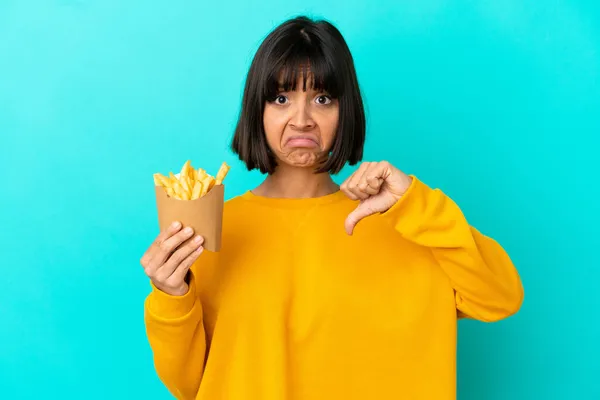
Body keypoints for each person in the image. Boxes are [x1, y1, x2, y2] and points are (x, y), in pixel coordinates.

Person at [140, 15, 524, 400]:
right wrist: (171, 295)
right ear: (258, 110)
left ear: (347, 111)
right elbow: (189, 385)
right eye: (281, 98)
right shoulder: (212, 229)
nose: (302, 120)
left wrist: (413, 202)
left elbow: (500, 296)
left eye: (322, 99)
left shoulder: (403, 220)